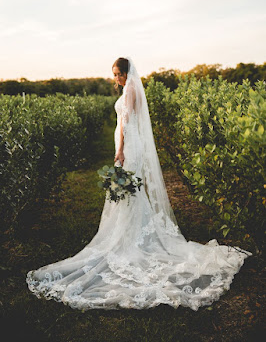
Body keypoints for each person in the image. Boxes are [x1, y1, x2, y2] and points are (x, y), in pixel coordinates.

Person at [26, 56, 252, 311]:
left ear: (126, 73)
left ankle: (128, 235)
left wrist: (120, 149)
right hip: (130, 144)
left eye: (118, 74)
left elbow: (126, 120)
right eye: (113, 75)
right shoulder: (130, 89)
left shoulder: (131, 89)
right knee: (130, 190)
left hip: (129, 146)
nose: (116, 79)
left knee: (128, 189)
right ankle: (127, 230)